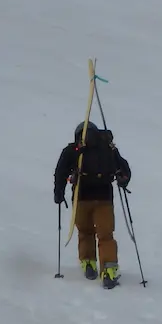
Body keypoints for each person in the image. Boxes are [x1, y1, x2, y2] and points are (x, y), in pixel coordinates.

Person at [54, 121, 131, 288]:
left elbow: (60, 171)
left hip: (81, 197)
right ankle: (109, 269)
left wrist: (59, 192)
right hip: (104, 197)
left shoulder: (74, 150)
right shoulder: (108, 149)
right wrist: (123, 180)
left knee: (86, 231)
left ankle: (88, 262)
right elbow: (123, 167)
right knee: (105, 234)